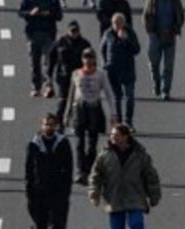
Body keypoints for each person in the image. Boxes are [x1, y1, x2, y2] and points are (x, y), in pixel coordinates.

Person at [88, 122, 161, 229]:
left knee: (136, 225)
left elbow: (150, 175)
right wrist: (94, 192)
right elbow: (96, 174)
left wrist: (154, 195)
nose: (113, 138)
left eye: (116, 135)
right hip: (114, 199)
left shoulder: (139, 154)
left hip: (135, 197)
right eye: (112, 135)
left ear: (126, 136)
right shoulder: (105, 154)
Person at [24, 113, 74, 229]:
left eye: (51, 124)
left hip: (58, 194)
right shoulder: (34, 144)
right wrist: (29, 191)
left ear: (56, 126)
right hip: (38, 193)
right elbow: (28, 170)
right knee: (39, 226)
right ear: (42, 125)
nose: (49, 127)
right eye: (46, 124)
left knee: (58, 226)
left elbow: (68, 168)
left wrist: (65, 191)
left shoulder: (63, 143)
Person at [65, 48, 108, 184]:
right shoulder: (76, 74)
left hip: (94, 109)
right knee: (79, 143)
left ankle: (89, 170)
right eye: (85, 57)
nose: (88, 60)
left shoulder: (100, 74)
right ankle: (79, 171)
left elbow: (109, 94)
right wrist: (67, 113)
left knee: (92, 143)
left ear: (94, 59)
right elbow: (71, 95)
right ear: (82, 59)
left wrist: (114, 114)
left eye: (90, 57)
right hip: (79, 110)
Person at [141, 0, 185, 100]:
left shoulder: (175, 1)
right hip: (155, 36)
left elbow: (181, 16)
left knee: (168, 65)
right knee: (154, 63)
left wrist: (176, 29)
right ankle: (157, 83)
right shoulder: (152, 0)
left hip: (170, 37)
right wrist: (149, 31)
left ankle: (166, 90)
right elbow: (145, 16)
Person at [20, 0, 64, 97]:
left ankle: (48, 86)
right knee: (35, 62)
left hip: (48, 34)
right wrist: (31, 13)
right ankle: (36, 87)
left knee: (48, 61)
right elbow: (21, 12)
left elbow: (59, 16)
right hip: (33, 34)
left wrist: (49, 13)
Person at [100, 13, 140, 129]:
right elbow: (103, 49)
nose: (116, 25)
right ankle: (119, 123)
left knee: (129, 96)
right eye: (114, 23)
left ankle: (128, 121)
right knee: (117, 97)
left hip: (127, 69)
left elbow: (136, 50)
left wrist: (126, 40)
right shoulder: (108, 34)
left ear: (124, 23)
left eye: (119, 23)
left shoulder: (130, 33)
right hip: (113, 70)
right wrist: (105, 63)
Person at [46, 20, 92, 117]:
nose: (74, 33)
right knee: (63, 100)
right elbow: (51, 59)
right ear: (68, 31)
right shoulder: (60, 42)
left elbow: (91, 61)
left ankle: (76, 121)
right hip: (63, 76)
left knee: (78, 101)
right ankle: (59, 123)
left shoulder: (84, 44)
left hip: (80, 76)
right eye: (72, 31)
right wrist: (49, 77)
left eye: (76, 31)